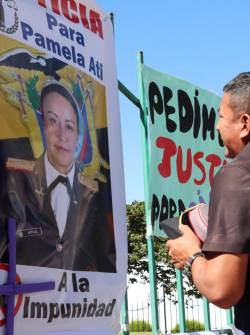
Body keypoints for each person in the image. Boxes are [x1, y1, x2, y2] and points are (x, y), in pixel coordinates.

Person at [0, 82, 116, 272]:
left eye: (69, 126)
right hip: (21, 299)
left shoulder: (91, 194)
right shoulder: (15, 182)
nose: (62, 135)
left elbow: (106, 262)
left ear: (78, 135)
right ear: (43, 126)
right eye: (53, 121)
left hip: (79, 300)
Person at [167, 72, 250, 333]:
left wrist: (191, 254)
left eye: (222, 116)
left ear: (244, 123)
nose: (217, 126)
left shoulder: (237, 175)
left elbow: (222, 289)